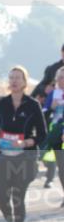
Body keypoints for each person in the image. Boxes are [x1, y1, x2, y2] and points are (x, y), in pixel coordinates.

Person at [0, 66, 47, 222]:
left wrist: (25, 143)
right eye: (11, 77)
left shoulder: (32, 105)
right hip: (4, 157)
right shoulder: (2, 104)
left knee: (17, 196)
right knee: (1, 196)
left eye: (18, 78)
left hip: (25, 158)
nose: (14, 81)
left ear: (24, 82)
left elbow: (42, 134)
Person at [42, 68, 64, 200]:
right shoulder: (53, 94)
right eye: (60, 77)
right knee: (61, 167)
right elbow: (43, 112)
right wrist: (51, 108)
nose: (62, 80)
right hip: (56, 133)